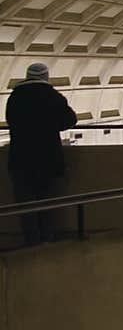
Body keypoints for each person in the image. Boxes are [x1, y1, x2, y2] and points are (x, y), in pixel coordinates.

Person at [5, 62, 78, 245]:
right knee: (47, 203)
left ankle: (31, 241)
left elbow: (10, 121)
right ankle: (46, 239)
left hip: (20, 160)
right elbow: (69, 120)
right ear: (46, 76)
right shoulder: (52, 96)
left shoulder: (15, 97)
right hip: (48, 160)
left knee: (26, 204)